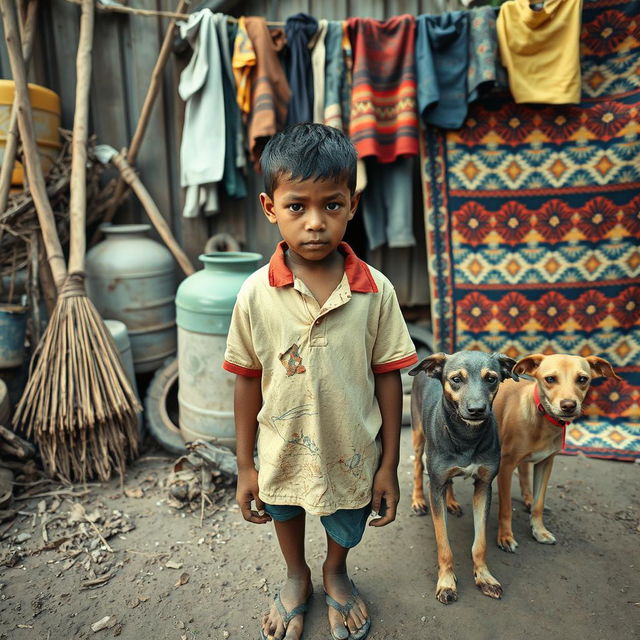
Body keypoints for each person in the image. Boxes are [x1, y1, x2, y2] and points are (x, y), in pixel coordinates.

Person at [223, 123, 417, 640]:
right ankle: (296, 574)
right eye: (296, 207)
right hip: (282, 444)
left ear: (352, 205)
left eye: (331, 205)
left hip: (352, 446)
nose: (315, 223)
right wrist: (245, 465)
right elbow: (245, 380)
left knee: (348, 517)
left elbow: (389, 378)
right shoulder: (254, 294)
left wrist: (391, 464)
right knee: (283, 505)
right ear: (269, 207)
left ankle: (335, 570)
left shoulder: (376, 291)